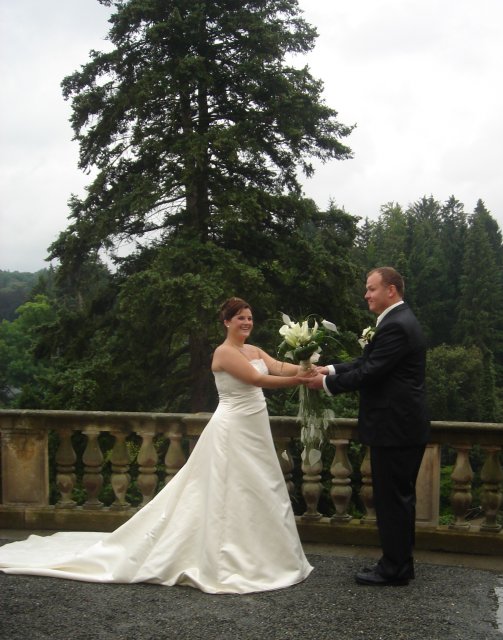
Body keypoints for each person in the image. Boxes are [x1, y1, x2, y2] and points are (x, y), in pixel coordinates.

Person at [0, 297, 313, 594]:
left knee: (260, 485)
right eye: (240, 318)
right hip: (232, 428)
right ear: (226, 322)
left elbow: (277, 367)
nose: (246, 322)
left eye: (250, 318)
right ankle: (229, 558)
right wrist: (299, 381)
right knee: (230, 487)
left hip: (255, 427)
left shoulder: (254, 350)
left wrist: (310, 367)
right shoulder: (224, 353)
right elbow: (258, 381)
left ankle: (263, 554)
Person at [304, 267, 430, 586]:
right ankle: (398, 563)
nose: (366, 294)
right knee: (397, 498)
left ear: (391, 290)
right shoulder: (395, 321)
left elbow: (371, 373)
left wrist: (326, 384)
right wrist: (330, 369)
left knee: (393, 500)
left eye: (372, 288)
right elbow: (366, 362)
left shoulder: (396, 325)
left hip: (395, 428)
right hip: (400, 427)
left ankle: (395, 569)